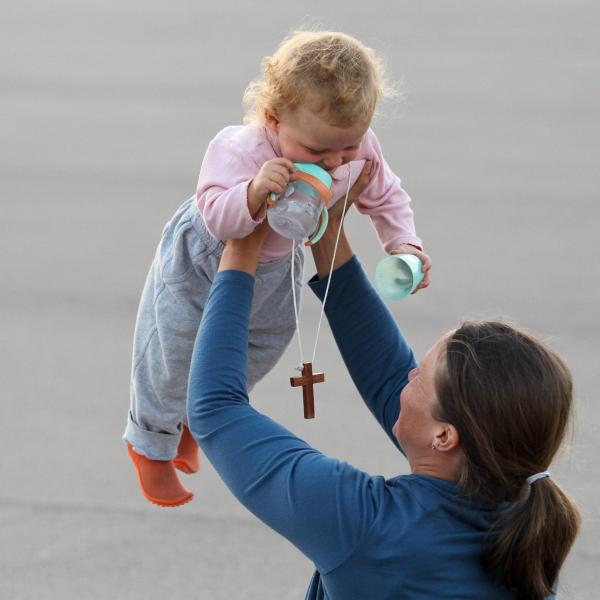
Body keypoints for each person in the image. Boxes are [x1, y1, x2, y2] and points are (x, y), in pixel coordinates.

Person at [187, 164, 580, 599]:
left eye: (420, 377)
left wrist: (244, 235)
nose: (406, 376)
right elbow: (388, 374)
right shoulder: (525, 525)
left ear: (446, 436)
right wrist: (326, 230)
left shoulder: (369, 526)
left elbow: (215, 408)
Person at [123, 30, 431, 507]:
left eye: (346, 149)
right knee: (173, 349)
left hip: (276, 265)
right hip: (205, 258)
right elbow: (215, 215)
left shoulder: (356, 147)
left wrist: (403, 244)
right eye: (317, 152)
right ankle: (149, 445)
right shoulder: (240, 149)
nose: (334, 162)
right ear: (273, 117)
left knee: (263, 343)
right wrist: (250, 194)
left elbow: (385, 196)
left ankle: (190, 421)